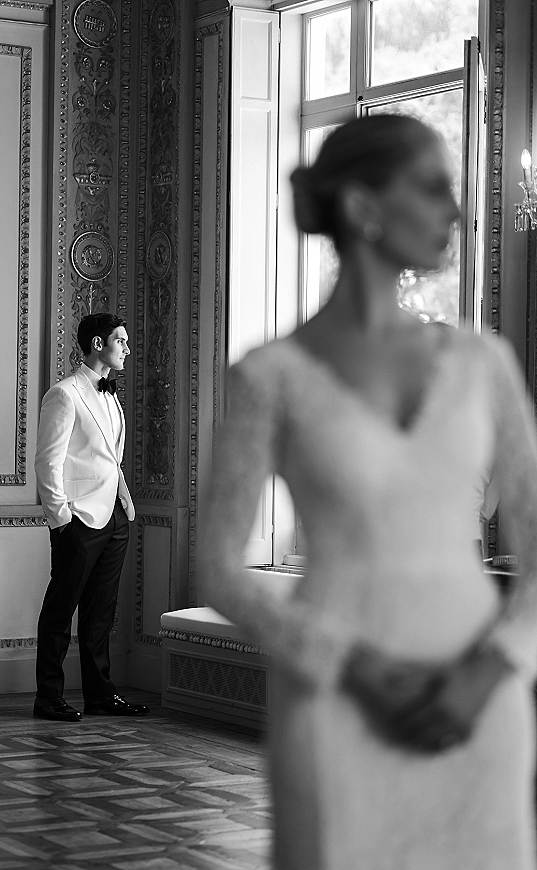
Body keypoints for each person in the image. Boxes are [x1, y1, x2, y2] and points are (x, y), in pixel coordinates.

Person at [198, 114, 537, 870]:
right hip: (336, 702)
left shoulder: (486, 366)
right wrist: (352, 667)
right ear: (361, 207)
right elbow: (217, 566)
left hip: (481, 701)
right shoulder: (269, 376)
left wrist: (491, 670)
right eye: (434, 187)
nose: (456, 208)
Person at [34, 312, 148, 722]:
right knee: (60, 611)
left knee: (101, 612)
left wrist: (124, 507)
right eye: (121, 341)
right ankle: (48, 698)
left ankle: (100, 695)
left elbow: (109, 459)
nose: (128, 349)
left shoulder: (111, 395)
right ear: (98, 345)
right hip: (78, 519)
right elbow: (47, 463)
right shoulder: (64, 395)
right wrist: (61, 519)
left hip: (115, 516)